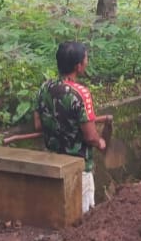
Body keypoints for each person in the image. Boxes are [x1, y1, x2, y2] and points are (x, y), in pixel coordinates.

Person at [34, 42, 107, 214]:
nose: (87, 62)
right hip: (79, 167)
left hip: (53, 164)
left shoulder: (44, 88)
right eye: (86, 59)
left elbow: (38, 125)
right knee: (82, 215)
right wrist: (100, 142)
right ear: (78, 66)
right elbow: (90, 136)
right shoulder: (80, 94)